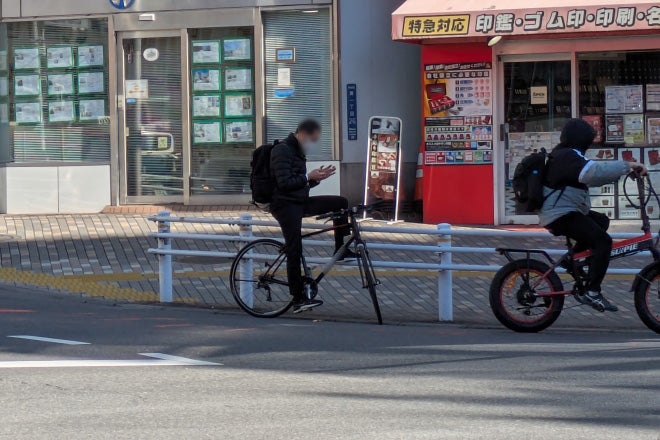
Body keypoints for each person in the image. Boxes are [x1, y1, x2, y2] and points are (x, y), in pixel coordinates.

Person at [540, 118, 647, 312]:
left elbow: (593, 174)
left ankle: (573, 259)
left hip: (566, 210)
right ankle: (592, 291)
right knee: (603, 242)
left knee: (601, 222)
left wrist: (622, 172)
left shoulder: (566, 154)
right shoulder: (568, 156)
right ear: (580, 139)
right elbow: (592, 173)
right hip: (561, 214)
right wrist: (627, 166)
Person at [270, 119, 357, 314]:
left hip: (298, 201)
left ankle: (340, 249)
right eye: (312, 139)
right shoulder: (282, 150)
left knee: (340, 203)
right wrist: (308, 177)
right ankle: (298, 297)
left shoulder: (297, 151)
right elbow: (284, 183)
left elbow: (298, 183)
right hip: (284, 205)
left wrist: (315, 179)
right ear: (302, 133)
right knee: (294, 249)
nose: (313, 143)